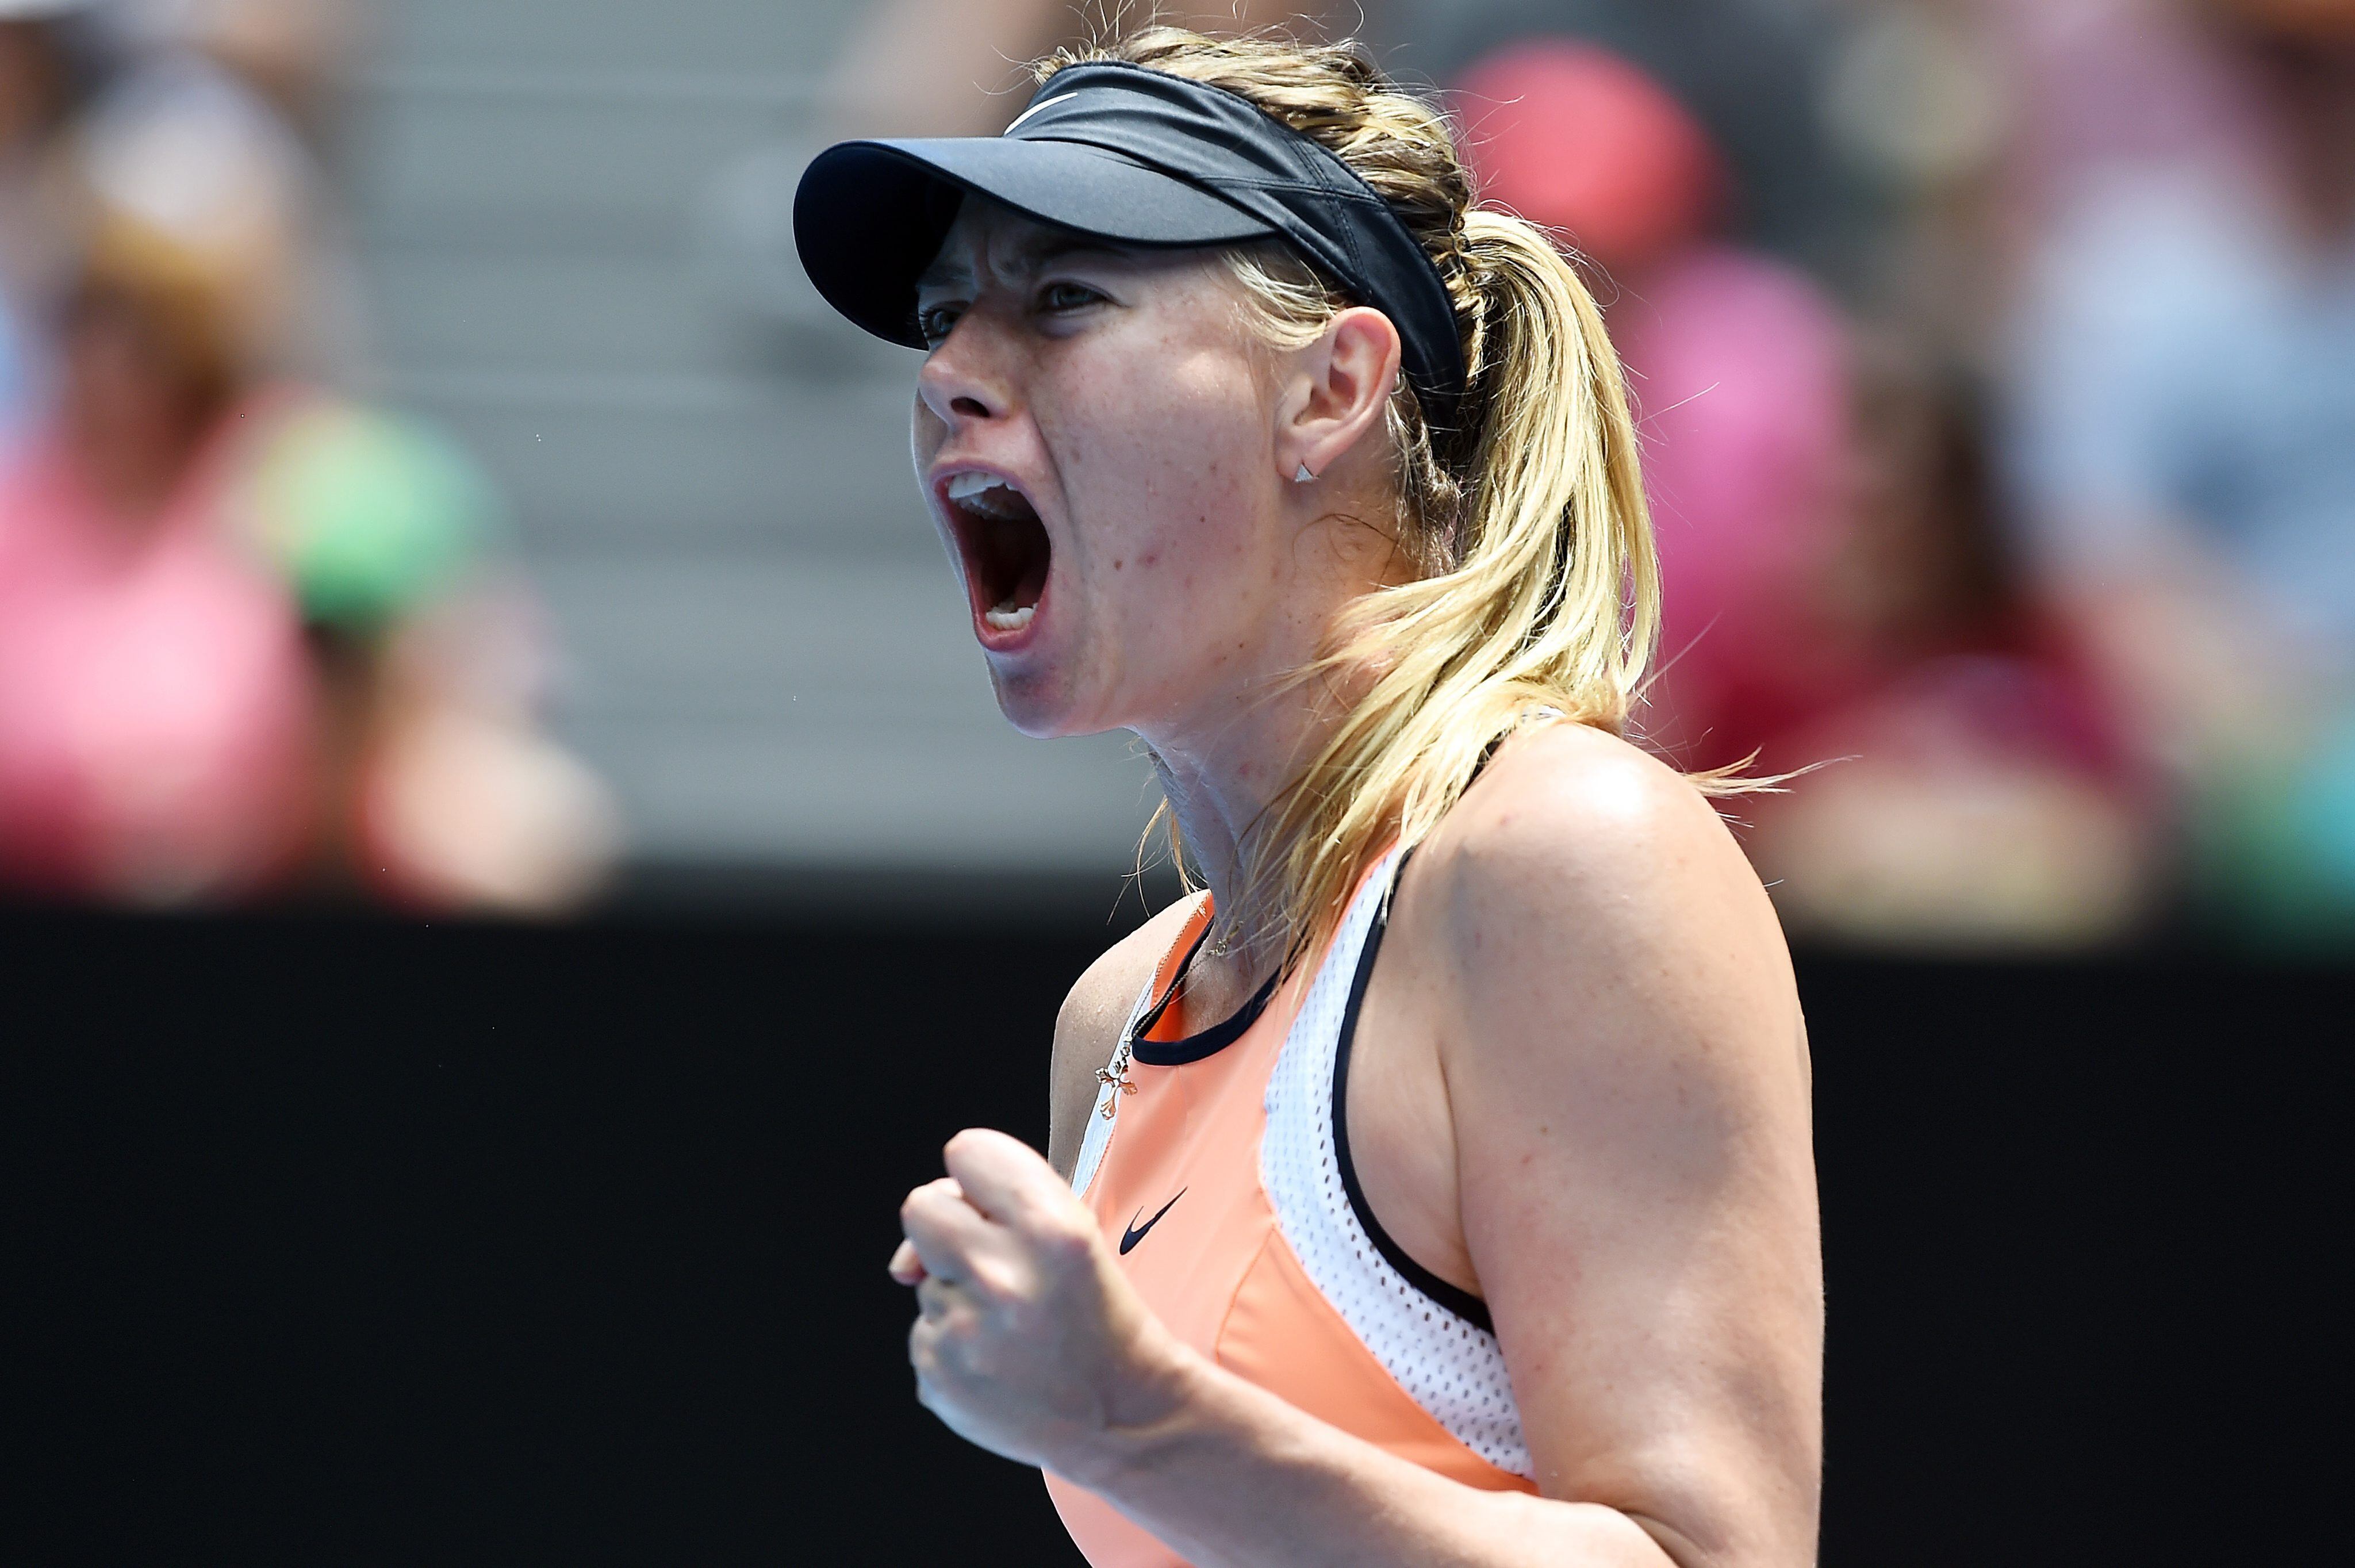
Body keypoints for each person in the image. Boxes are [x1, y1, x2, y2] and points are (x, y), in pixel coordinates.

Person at [793, 29, 1819, 1568]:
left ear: (1329, 389)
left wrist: (1143, 1424)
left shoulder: (1566, 858)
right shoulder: (1114, 1023)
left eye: (1062, 301)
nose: (946, 376)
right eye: (945, 319)